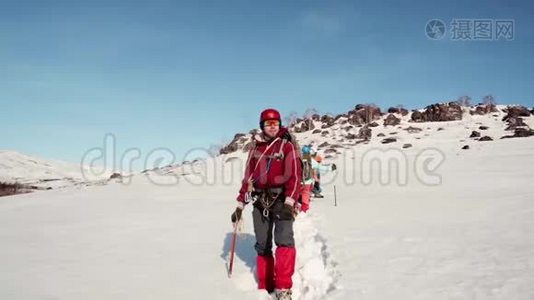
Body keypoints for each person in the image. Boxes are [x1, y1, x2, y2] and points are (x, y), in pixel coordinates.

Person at [230, 108, 302, 300]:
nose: (272, 127)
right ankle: (265, 284)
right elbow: (248, 178)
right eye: (268, 124)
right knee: (262, 244)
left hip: (282, 200)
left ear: (279, 125)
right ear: (262, 126)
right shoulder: (255, 148)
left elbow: (295, 176)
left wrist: (289, 203)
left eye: (275, 123)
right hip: (260, 201)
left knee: (284, 240)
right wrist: (239, 205)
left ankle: (283, 287)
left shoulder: (286, 146)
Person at [299, 145, 315, 212]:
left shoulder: (299, 158)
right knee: (306, 192)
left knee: (299, 192)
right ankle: (304, 207)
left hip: (299, 180)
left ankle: (297, 204)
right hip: (308, 180)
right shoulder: (310, 159)